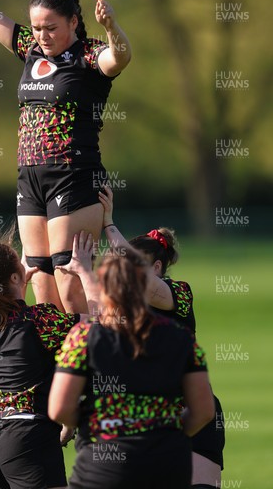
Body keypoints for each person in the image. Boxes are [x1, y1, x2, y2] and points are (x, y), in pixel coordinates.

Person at [0, 0, 132, 313]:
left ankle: (88, 365)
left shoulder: (89, 56)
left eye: (51, 27)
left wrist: (112, 27)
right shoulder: (30, 49)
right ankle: (53, 372)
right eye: (37, 27)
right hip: (30, 178)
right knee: (41, 291)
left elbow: (120, 56)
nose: (42, 35)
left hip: (73, 175)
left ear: (73, 21)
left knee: (71, 287)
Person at [49, 235, 215, 489]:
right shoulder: (181, 338)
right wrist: (168, 434)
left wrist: (87, 425)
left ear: (104, 289)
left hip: (103, 466)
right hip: (167, 464)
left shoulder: (83, 338)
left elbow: (59, 409)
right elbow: (204, 410)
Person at [98, 185, 225, 489]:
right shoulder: (125, 307)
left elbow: (144, 284)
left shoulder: (178, 292)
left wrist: (109, 225)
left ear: (156, 266)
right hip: (152, 418)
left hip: (193, 406)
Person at [0, 239, 100, 489]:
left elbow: (12, 316)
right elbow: (99, 325)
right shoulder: (41, 319)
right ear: (14, 278)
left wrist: (17, 281)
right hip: (27, 436)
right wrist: (86, 270)